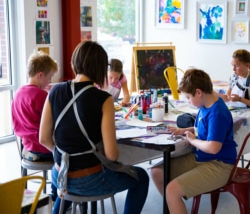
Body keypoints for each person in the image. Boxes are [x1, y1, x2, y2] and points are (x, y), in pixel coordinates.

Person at [39, 41, 149, 214]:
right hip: (89, 179)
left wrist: (64, 156)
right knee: (142, 177)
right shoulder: (104, 99)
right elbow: (112, 155)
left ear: (74, 62)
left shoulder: (54, 91)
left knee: (65, 179)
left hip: (59, 174)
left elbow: (43, 139)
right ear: (100, 68)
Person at [151, 68, 237, 214]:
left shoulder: (217, 113)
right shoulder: (207, 102)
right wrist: (187, 130)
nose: (187, 101)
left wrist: (192, 140)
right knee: (157, 172)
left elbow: (213, 147)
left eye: (188, 98)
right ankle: (174, 207)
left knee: (172, 191)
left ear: (198, 92)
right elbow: (204, 127)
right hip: (202, 157)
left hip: (219, 165)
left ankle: (174, 201)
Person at [11, 51, 58, 200]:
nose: (49, 82)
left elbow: (15, 124)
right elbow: (56, 122)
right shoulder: (42, 96)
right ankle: (56, 194)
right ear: (40, 75)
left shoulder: (18, 93)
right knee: (68, 154)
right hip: (43, 149)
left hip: (27, 148)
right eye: (49, 77)